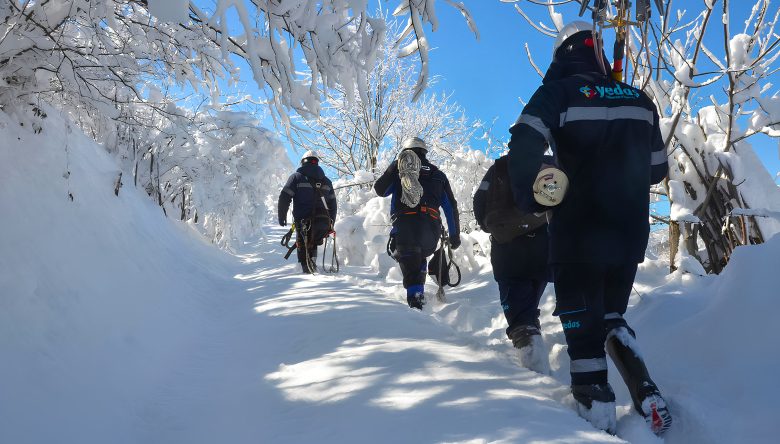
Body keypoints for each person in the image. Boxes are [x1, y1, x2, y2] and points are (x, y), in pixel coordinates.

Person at [505, 21, 671, 435]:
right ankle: (646, 389)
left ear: (563, 56)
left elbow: (523, 143)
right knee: (612, 315)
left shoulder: (558, 93)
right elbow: (657, 170)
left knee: (582, 330)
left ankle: (597, 413)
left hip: (577, 234)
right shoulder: (640, 99)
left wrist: (534, 194)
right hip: (628, 233)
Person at [473, 154, 551, 373]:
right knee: (531, 295)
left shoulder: (500, 166)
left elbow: (479, 201)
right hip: (544, 245)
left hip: (507, 247)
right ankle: (532, 332)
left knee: (518, 310)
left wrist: (492, 227)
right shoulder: (551, 164)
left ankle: (536, 369)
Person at [374, 137, 461, 309]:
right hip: (431, 229)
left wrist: (393, 167)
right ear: (425, 152)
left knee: (410, 260)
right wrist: (454, 235)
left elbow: (380, 190)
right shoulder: (438, 175)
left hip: (406, 226)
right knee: (419, 257)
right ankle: (418, 295)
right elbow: (450, 207)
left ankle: (416, 305)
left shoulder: (399, 171)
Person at [278, 150, 338, 274]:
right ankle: (312, 265)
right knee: (314, 243)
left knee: (303, 244)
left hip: (303, 222)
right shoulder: (327, 181)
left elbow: (285, 196)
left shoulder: (296, 177)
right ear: (316, 162)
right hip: (323, 223)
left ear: (303, 162)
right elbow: (333, 205)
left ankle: (305, 272)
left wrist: (282, 215)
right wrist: (331, 223)